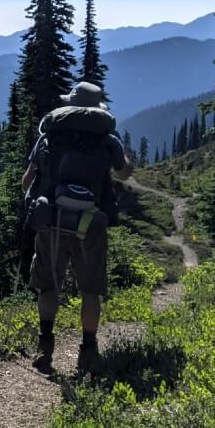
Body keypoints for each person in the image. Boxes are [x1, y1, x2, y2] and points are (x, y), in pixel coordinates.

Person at [21, 82, 133, 373]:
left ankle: (45, 347)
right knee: (90, 289)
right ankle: (88, 351)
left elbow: (27, 180)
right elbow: (123, 173)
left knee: (47, 285)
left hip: (53, 220)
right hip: (90, 223)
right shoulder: (108, 139)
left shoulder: (52, 133)